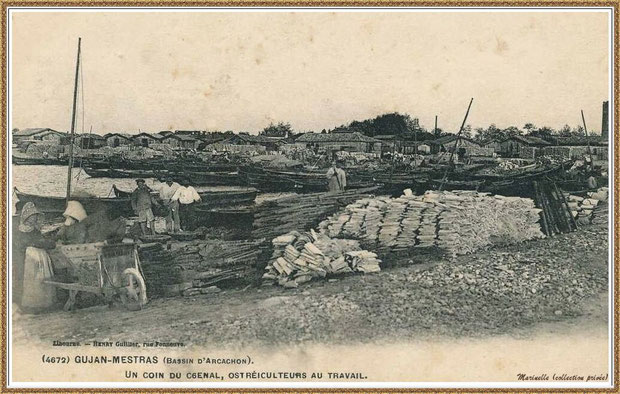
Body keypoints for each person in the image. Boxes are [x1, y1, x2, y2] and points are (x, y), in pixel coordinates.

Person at [12, 202, 56, 308]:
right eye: (32, 216)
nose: (34, 218)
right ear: (27, 216)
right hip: (22, 258)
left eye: (35, 216)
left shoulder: (35, 231)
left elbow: (39, 241)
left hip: (34, 259)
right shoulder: (17, 230)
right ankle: (21, 303)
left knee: (37, 280)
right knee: (23, 280)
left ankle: (38, 302)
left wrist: (44, 243)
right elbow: (18, 244)